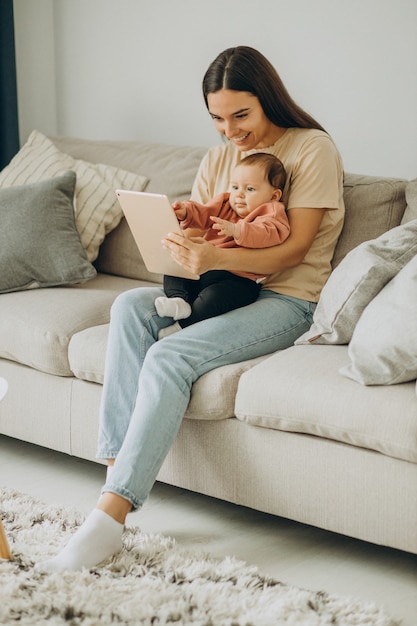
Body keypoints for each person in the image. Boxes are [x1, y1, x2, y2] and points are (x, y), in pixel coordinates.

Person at [37, 45, 345, 573]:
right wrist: (180, 237)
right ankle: (117, 475)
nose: (230, 131)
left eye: (241, 115)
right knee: (131, 305)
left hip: (288, 299)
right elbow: (202, 231)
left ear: (268, 99)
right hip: (220, 283)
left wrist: (215, 253)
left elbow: (293, 249)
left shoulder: (311, 149)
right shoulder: (218, 158)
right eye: (218, 119)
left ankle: (110, 516)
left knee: (169, 357)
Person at [156, 152, 290, 339]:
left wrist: (238, 230)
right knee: (175, 266)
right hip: (206, 267)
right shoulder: (225, 202)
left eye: (250, 189)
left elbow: (270, 234)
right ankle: (179, 301)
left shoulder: (272, 212)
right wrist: (186, 212)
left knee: (213, 298)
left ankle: (183, 325)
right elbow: (204, 213)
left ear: (274, 195)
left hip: (238, 279)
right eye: (235, 187)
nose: (239, 195)